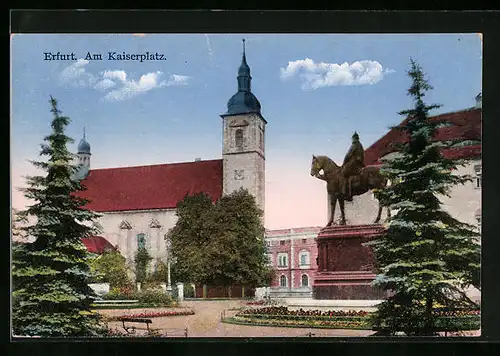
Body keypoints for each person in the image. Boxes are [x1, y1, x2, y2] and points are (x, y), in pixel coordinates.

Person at [341, 131, 365, 201]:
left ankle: (347, 193)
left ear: (354, 139)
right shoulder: (360, 145)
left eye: (352, 138)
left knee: (343, 173)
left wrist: (344, 163)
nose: (352, 140)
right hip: (360, 163)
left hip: (354, 163)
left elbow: (348, 155)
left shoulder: (354, 145)